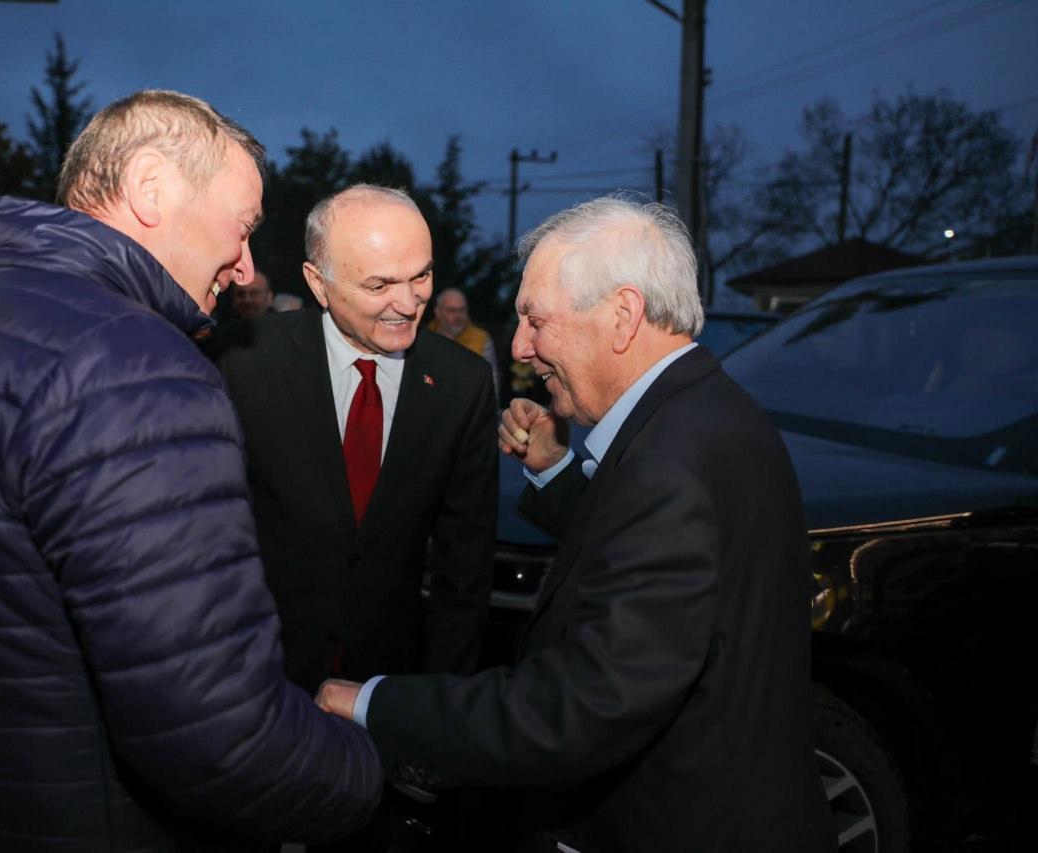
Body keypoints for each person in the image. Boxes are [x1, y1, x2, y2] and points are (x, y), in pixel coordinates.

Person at [0, 89, 381, 850]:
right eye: (242, 229)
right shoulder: (135, 365)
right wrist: (365, 770)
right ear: (149, 188)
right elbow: (218, 736)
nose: (245, 268)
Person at [317, 195, 835, 853]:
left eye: (536, 319)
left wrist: (372, 704)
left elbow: (580, 707)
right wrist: (554, 470)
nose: (520, 346)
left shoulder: (670, 463)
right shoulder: (704, 414)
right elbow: (650, 562)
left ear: (622, 315)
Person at [212, 184, 497, 847]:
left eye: (421, 275)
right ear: (319, 281)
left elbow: (464, 570)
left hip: (383, 703)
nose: (408, 302)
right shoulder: (240, 360)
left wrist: (433, 722)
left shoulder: (460, 384)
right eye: (379, 284)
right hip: (252, 687)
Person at [428, 287, 498, 396]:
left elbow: (492, 384)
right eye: (451, 311)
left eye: (462, 310)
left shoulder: (482, 339)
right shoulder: (424, 338)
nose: (458, 316)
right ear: (438, 312)